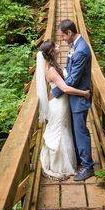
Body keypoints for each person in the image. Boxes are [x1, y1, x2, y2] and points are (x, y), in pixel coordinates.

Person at [36, 40, 91, 181]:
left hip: (62, 102)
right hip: (59, 105)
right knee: (60, 131)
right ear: (52, 51)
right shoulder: (51, 70)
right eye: (56, 46)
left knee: (64, 130)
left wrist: (54, 90)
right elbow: (65, 88)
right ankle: (60, 166)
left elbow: (60, 86)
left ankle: (68, 162)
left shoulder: (53, 65)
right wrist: (83, 93)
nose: (59, 46)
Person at [51, 19, 94, 181]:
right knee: (76, 131)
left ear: (69, 32)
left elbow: (74, 79)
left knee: (80, 132)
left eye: (63, 36)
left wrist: (55, 91)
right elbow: (70, 69)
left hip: (79, 98)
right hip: (74, 96)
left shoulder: (81, 49)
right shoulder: (76, 45)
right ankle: (79, 161)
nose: (62, 39)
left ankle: (88, 166)